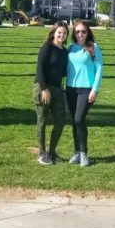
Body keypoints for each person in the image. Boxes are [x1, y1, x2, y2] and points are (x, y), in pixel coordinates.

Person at [66, 20, 103, 167]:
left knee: (79, 119)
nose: (80, 34)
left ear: (88, 32)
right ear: (74, 34)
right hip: (70, 89)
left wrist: (95, 89)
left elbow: (99, 69)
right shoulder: (70, 48)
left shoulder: (93, 48)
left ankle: (83, 154)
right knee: (75, 122)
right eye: (77, 32)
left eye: (83, 31)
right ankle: (76, 152)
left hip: (86, 90)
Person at [33, 21, 69, 165]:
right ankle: (42, 153)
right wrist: (44, 89)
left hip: (57, 89)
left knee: (61, 121)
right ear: (54, 33)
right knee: (42, 121)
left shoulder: (64, 51)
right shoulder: (47, 47)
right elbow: (40, 69)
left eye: (64, 33)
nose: (61, 35)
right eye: (59, 32)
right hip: (43, 88)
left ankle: (52, 152)